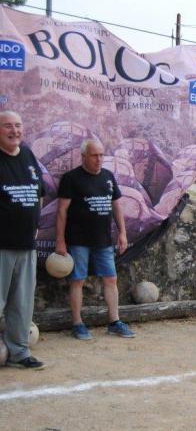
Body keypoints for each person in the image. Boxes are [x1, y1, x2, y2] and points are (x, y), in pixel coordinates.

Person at [55, 139, 134, 340]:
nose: (99, 159)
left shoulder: (108, 177)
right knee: (77, 280)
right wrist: (60, 240)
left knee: (111, 279)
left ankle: (114, 321)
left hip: (103, 240)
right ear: (83, 156)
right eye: (94, 155)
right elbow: (62, 211)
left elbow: (117, 206)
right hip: (78, 240)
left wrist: (123, 233)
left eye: (101, 155)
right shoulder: (71, 178)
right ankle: (77, 324)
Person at [0, 111, 45, 370]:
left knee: (22, 304)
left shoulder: (27, 155)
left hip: (26, 245)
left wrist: (36, 223)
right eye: (7, 126)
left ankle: (19, 352)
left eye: (18, 125)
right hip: (1, 245)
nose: (14, 130)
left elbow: (38, 192)